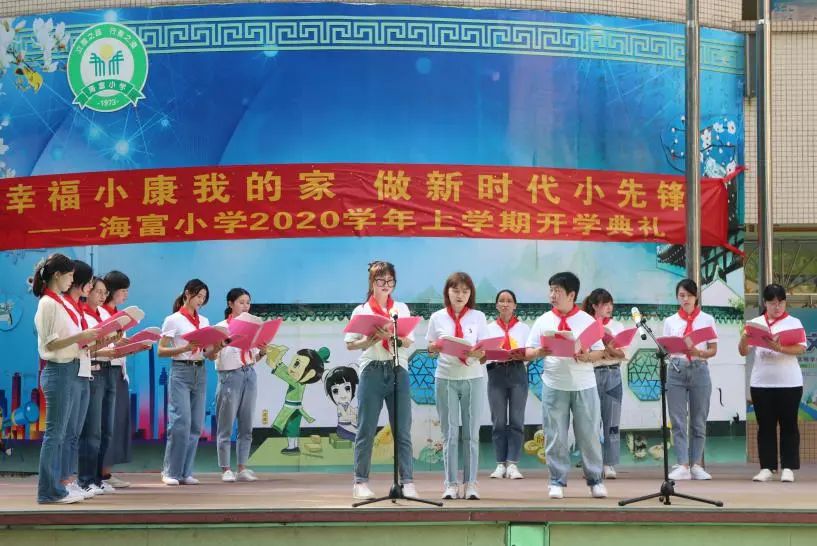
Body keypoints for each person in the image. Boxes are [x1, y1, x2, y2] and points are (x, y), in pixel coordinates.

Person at [526, 272, 607, 499]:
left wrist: (586, 356)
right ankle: (556, 481)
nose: (552, 295)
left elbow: (600, 351)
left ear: (571, 295)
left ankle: (595, 480)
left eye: (558, 291)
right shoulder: (543, 320)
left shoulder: (587, 321)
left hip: (584, 384)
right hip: (554, 384)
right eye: (551, 290)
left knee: (589, 434)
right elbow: (528, 351)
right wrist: (539, 352)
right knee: (555, 434)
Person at [344, 261, 418, 500]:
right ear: (372, 282)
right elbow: (350, 343)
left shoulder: (401, 308)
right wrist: (369, 340)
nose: (386, 285)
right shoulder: (361, 310)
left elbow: (409, 341)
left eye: (390, 281)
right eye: (380, 280)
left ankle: (407, 481)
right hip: (372, 369)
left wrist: (393, 336)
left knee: (402, 429)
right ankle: (360, 481)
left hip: (398, 368)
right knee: (366, 428)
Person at [33, 254, 98, 504]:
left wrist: (86, 339)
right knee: (55, 435)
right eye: (69, 275)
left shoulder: (58, 302)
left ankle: (56, 488)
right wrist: (80, 337)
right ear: (57, 275)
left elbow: (66, 340)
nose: (72, 280)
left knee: (60, 435)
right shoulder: (48, 303)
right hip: (58, 371)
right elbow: (50, 343)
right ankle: (48, 491)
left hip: (69, 369)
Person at [426, 272, 488, 500]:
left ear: (471, 294)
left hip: (473, 378)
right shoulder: (437, 317)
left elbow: (485, 353)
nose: (460, 295)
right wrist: (436, 347)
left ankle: (471, 484)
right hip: (446, 378)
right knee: (449, 434)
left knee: (471, 434)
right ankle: (451, 484)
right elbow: (430, 348)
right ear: (447, 292)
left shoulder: (478, 317)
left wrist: (478, 353)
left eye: (465, 291)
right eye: (455, 290)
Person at [739, 284, 806, 483]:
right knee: (765, 426)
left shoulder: (794, 323)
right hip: (761, 383)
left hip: (789, 383)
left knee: (789, 425)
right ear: (765, 303)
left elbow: (801, 348)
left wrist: (780, 347)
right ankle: (767, 467)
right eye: (772, 303)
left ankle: (788, 467)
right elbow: (743, 351)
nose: (777, 307)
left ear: (785, 303)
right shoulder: (755, 323)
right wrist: (744, 338)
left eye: (780, 303)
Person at [159, 279, 219, 485]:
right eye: (198, 296)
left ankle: (185, 472)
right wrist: (184, 348)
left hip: (200, 371)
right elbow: (161, 350)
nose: (200, 301)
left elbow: (209, 354)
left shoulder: (204, 321)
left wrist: (218, 347)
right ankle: (170, 472)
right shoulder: (173, 320)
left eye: (204, 298)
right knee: (180, 422)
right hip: (181, 370)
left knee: (195, 425)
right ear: (187, 293)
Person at [663, 278, 718, 481]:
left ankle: (696, 464)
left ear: (696, 297)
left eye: (689, 295)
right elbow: (666, 348)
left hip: (699, 368)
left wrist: (699, 352)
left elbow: (713, 349)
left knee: (698, 420)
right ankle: (683, 464)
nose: (685, 299)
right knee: (678, 420)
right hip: (676, 370)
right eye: (681, 295)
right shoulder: (670, 321)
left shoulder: (707, 319)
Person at [214, 288, 263, 483]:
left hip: (249, 374)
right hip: (229, 376)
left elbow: (254, 357)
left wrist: (262, 352)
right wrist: (220, 344)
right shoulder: (220, 328)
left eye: (248, 303)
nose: (245, 306)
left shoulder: (252, 328)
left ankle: (242, 467)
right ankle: (226, 468)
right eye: (241, 302)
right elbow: (211, 354)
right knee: (225, 425)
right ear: (230, 304)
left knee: (246, 425)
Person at [78, 276, 120, 495]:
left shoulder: (104, 314)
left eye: (105, 292)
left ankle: (98, 478)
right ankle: (85, 480)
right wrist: (106, 348)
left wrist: (123, 343)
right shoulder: (81, 314)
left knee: (106, 430)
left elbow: (108, 342)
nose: (103, 296)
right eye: (99, 291)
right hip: (93, 370)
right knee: (92, 430)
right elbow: (84, 348)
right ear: (87, 291)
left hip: (109, 369)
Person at [60, 260, 95, 500]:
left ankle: (69, 480)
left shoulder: (78, 307)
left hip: (84, 370)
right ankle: (62, 481)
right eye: (89, 282)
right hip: (70, 371)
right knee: (66, 432)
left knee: (75, 433)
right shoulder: (63, 306)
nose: (90, 287)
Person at [486, 289, 530, 481]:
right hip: (496, 373)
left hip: (517, 372)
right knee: (498, 420)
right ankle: (499, 464)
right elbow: (483, 353)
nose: (505, 304)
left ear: (515, 305)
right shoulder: (488, 328)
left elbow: (529, 353)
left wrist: (520, 355)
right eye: (501, 301)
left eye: (509, 301)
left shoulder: (524, 328)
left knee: (516, 419)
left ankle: (512, 463)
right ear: (496, 305)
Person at [582, 288, 626, 480]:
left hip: (612, 373)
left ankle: (609, 464)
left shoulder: (617, 326)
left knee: (612, 422)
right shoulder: (585, 325)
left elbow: (622, 353)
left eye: (610, 304)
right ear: (594, 306)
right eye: (604, 304)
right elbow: (582, 351)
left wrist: (608, 345)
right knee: (590, 422)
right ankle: (592, 464)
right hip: (591, 374)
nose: (609, 308)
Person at [100, 270, 133, 489]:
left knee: (117, 422)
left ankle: (107, 472)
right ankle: (99, 473)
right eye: (123, 291)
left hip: (118, 370)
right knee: (105, 423)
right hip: (105, 370)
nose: (125, 295)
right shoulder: (101, 313)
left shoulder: (118, 315)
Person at [323, 365, 359, 442]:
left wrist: (357, 411)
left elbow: (353, 411)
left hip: (350, 426)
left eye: (347, 388)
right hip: (343, 428)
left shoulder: (348, 405)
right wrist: (355, 416)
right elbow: (345, 417)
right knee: (358, 435)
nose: (343, 395)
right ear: (330, 395)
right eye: (335, 391)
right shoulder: (340, 406)